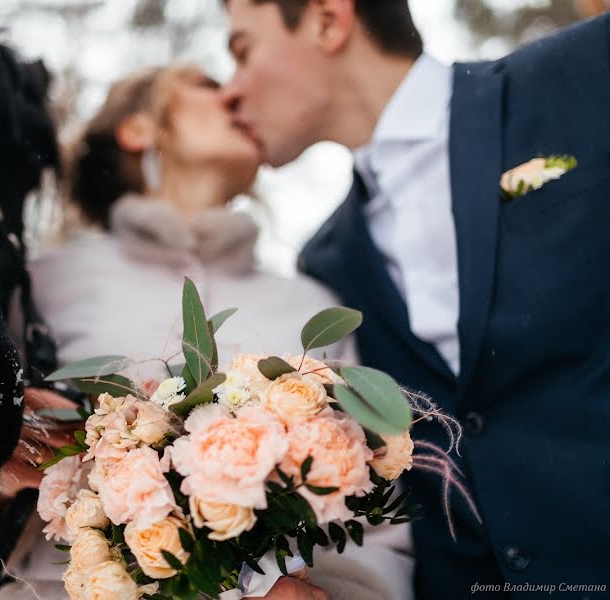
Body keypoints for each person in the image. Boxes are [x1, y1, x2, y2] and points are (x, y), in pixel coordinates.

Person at [219, 0, 610, 598]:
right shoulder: (328, 261)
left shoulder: (597, 68)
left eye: (241, 51)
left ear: (328, 21)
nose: (231, 92)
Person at [26, 63, 412, 600]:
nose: (236, 93)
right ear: (139, 129)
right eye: (208, 85)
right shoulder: (46, 284)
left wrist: (335, 592)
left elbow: (379, 523)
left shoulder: (309, 305)